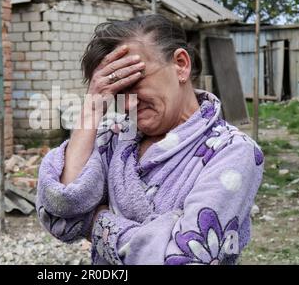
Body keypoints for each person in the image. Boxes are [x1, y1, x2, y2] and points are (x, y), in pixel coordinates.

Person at [36, 14, 264, 265]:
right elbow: (60, 212)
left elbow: (182, 259)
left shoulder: (232, 151)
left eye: (135, 81)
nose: (128, 103)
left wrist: (96, 222)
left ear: (180, 65)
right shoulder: (114, 136)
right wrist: (91, 109)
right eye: (118, 92)